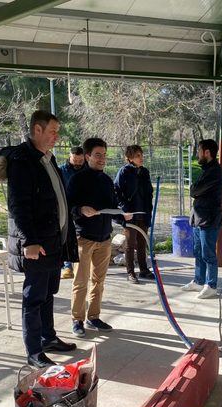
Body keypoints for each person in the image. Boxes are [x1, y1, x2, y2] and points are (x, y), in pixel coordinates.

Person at [0, 110, 79, 367]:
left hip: (54, 240)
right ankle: (33, 352)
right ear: (37, 130)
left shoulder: (46, 158)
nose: (56, 136)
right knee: (33, 297)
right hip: (37, 244)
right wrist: (29, 241)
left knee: (49, 292)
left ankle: (48, 337)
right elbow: (18, 205)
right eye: (52, 131)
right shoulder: (23, 160)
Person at [67, 137, 131, 337]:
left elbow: (111, 207)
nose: (102, 159)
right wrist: (80, 210)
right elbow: (68, 208)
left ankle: (93, 317)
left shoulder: (106, 180)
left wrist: (123, 218)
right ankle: (77, 320)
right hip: (84, 238)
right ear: (87, 156)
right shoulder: (77, 179)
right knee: (80, 282)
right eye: (97, 155)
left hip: (104, 238)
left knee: (99, 281)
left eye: (104, 155)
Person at [181, 139, 222, 300]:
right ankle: (198, 281)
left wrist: (195, 190)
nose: (197, 154)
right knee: (198, 252)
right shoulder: (206, 170)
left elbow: (194, 190)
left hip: (209, 219)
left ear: (207, 152)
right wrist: (195, 190)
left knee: (208, 254)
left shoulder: (215, 172)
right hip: (199, 218)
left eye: (199, 151)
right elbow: (195, 190)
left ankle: (211, 285)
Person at [114, 145, 154, 284]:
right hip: (130, 214)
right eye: (137, 155)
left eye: (141, 155)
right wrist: (125, 209)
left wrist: (149, 208)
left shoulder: (145, 172)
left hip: (143, 212)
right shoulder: (124, 172)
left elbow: (148, 192)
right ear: (129, 158)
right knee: (130, 244)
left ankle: (144, 270)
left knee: (142, 242)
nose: (141, 158)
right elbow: (117, 191)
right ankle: (130, 272)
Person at [59, 146, 85, 280]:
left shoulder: (87, 170)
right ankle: (67, 266)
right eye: (75, 160)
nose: (78, 163)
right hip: (66, 208)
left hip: (84, 209)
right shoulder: (61, 171)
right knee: (67, 236)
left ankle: (83, 265)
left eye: (80, 161)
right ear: (70, 157)